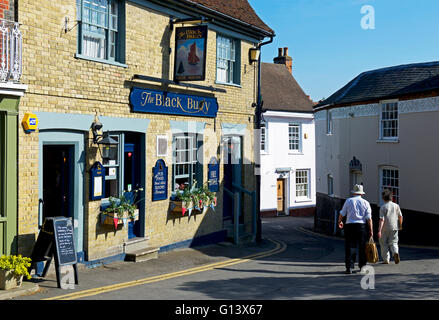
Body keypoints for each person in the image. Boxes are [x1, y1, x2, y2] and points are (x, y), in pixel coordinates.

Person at [338, 184, 373, 274]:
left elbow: (342, 213)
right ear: (361, 194)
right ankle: (362, 266)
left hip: (350, 226)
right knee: (362, 247)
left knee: (350, 246)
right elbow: (369, 218)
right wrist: (371, 230)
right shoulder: (366, 203)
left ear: (354, 193)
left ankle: (349, 267)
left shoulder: (348, 201)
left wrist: (340, 221)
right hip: (361, 226)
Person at [377, 189, 403, 264]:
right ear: (391, 197)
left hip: (385, 228)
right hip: (395, 227)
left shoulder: (383, 207)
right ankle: (395, 252)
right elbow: (400, 216)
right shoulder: (396, 206)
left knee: (383, 243)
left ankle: (386, 259)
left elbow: (381, 220)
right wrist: (400, 225)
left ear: (383, 198)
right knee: (394, 242)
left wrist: (379, 230)